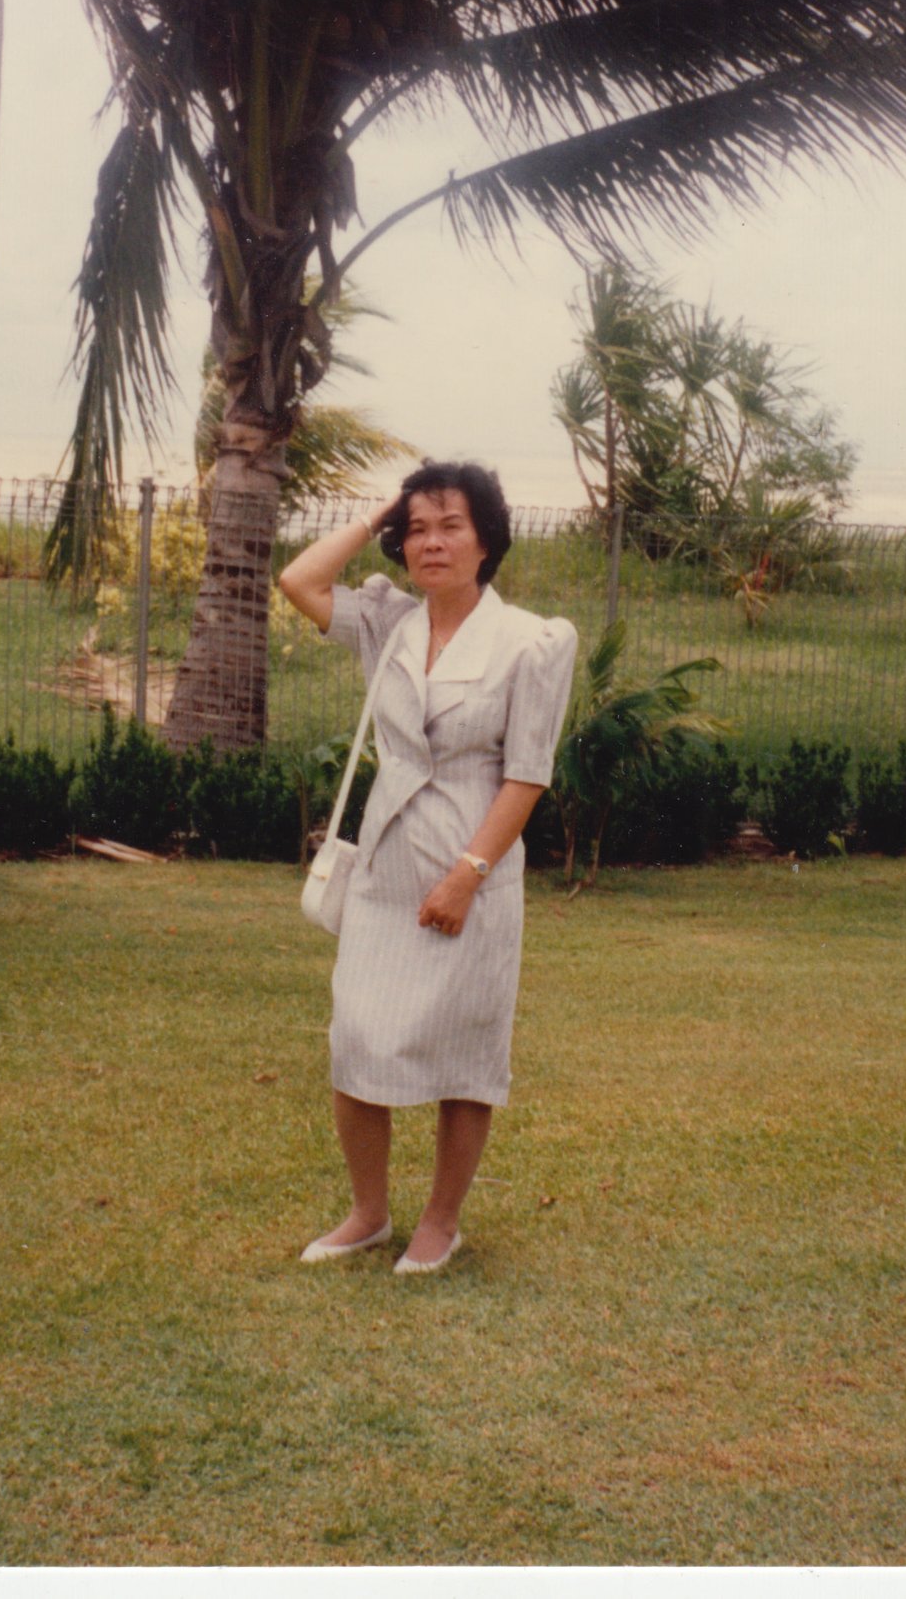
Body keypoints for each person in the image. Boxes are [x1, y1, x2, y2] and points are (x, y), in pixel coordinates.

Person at [275, 460, 579, 1275]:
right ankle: (368, 1213)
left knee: (464, 1051)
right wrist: (383, 506)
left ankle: (439, 1222)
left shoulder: (532, 642)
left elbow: (528, 775)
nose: (430, 543)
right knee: (357, 1039)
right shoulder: (388, 624)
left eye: (450, 525)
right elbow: (299, 579)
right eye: (415, 530)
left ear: (488, 541)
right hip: (383, 874)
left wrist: (468, 873)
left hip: (472, 876)